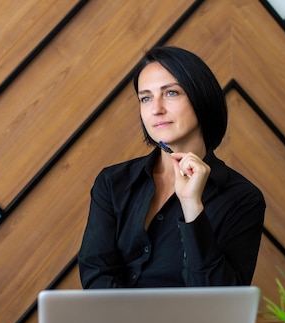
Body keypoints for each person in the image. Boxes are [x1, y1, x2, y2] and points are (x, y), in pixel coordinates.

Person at [78, 46, 265, 288]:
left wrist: (192, 207)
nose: (156, 109)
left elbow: (218, 300)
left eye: (171, 93)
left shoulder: (242, 198)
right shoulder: (113, 182)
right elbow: (96, 276)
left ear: (202, 97)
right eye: (146, 98)